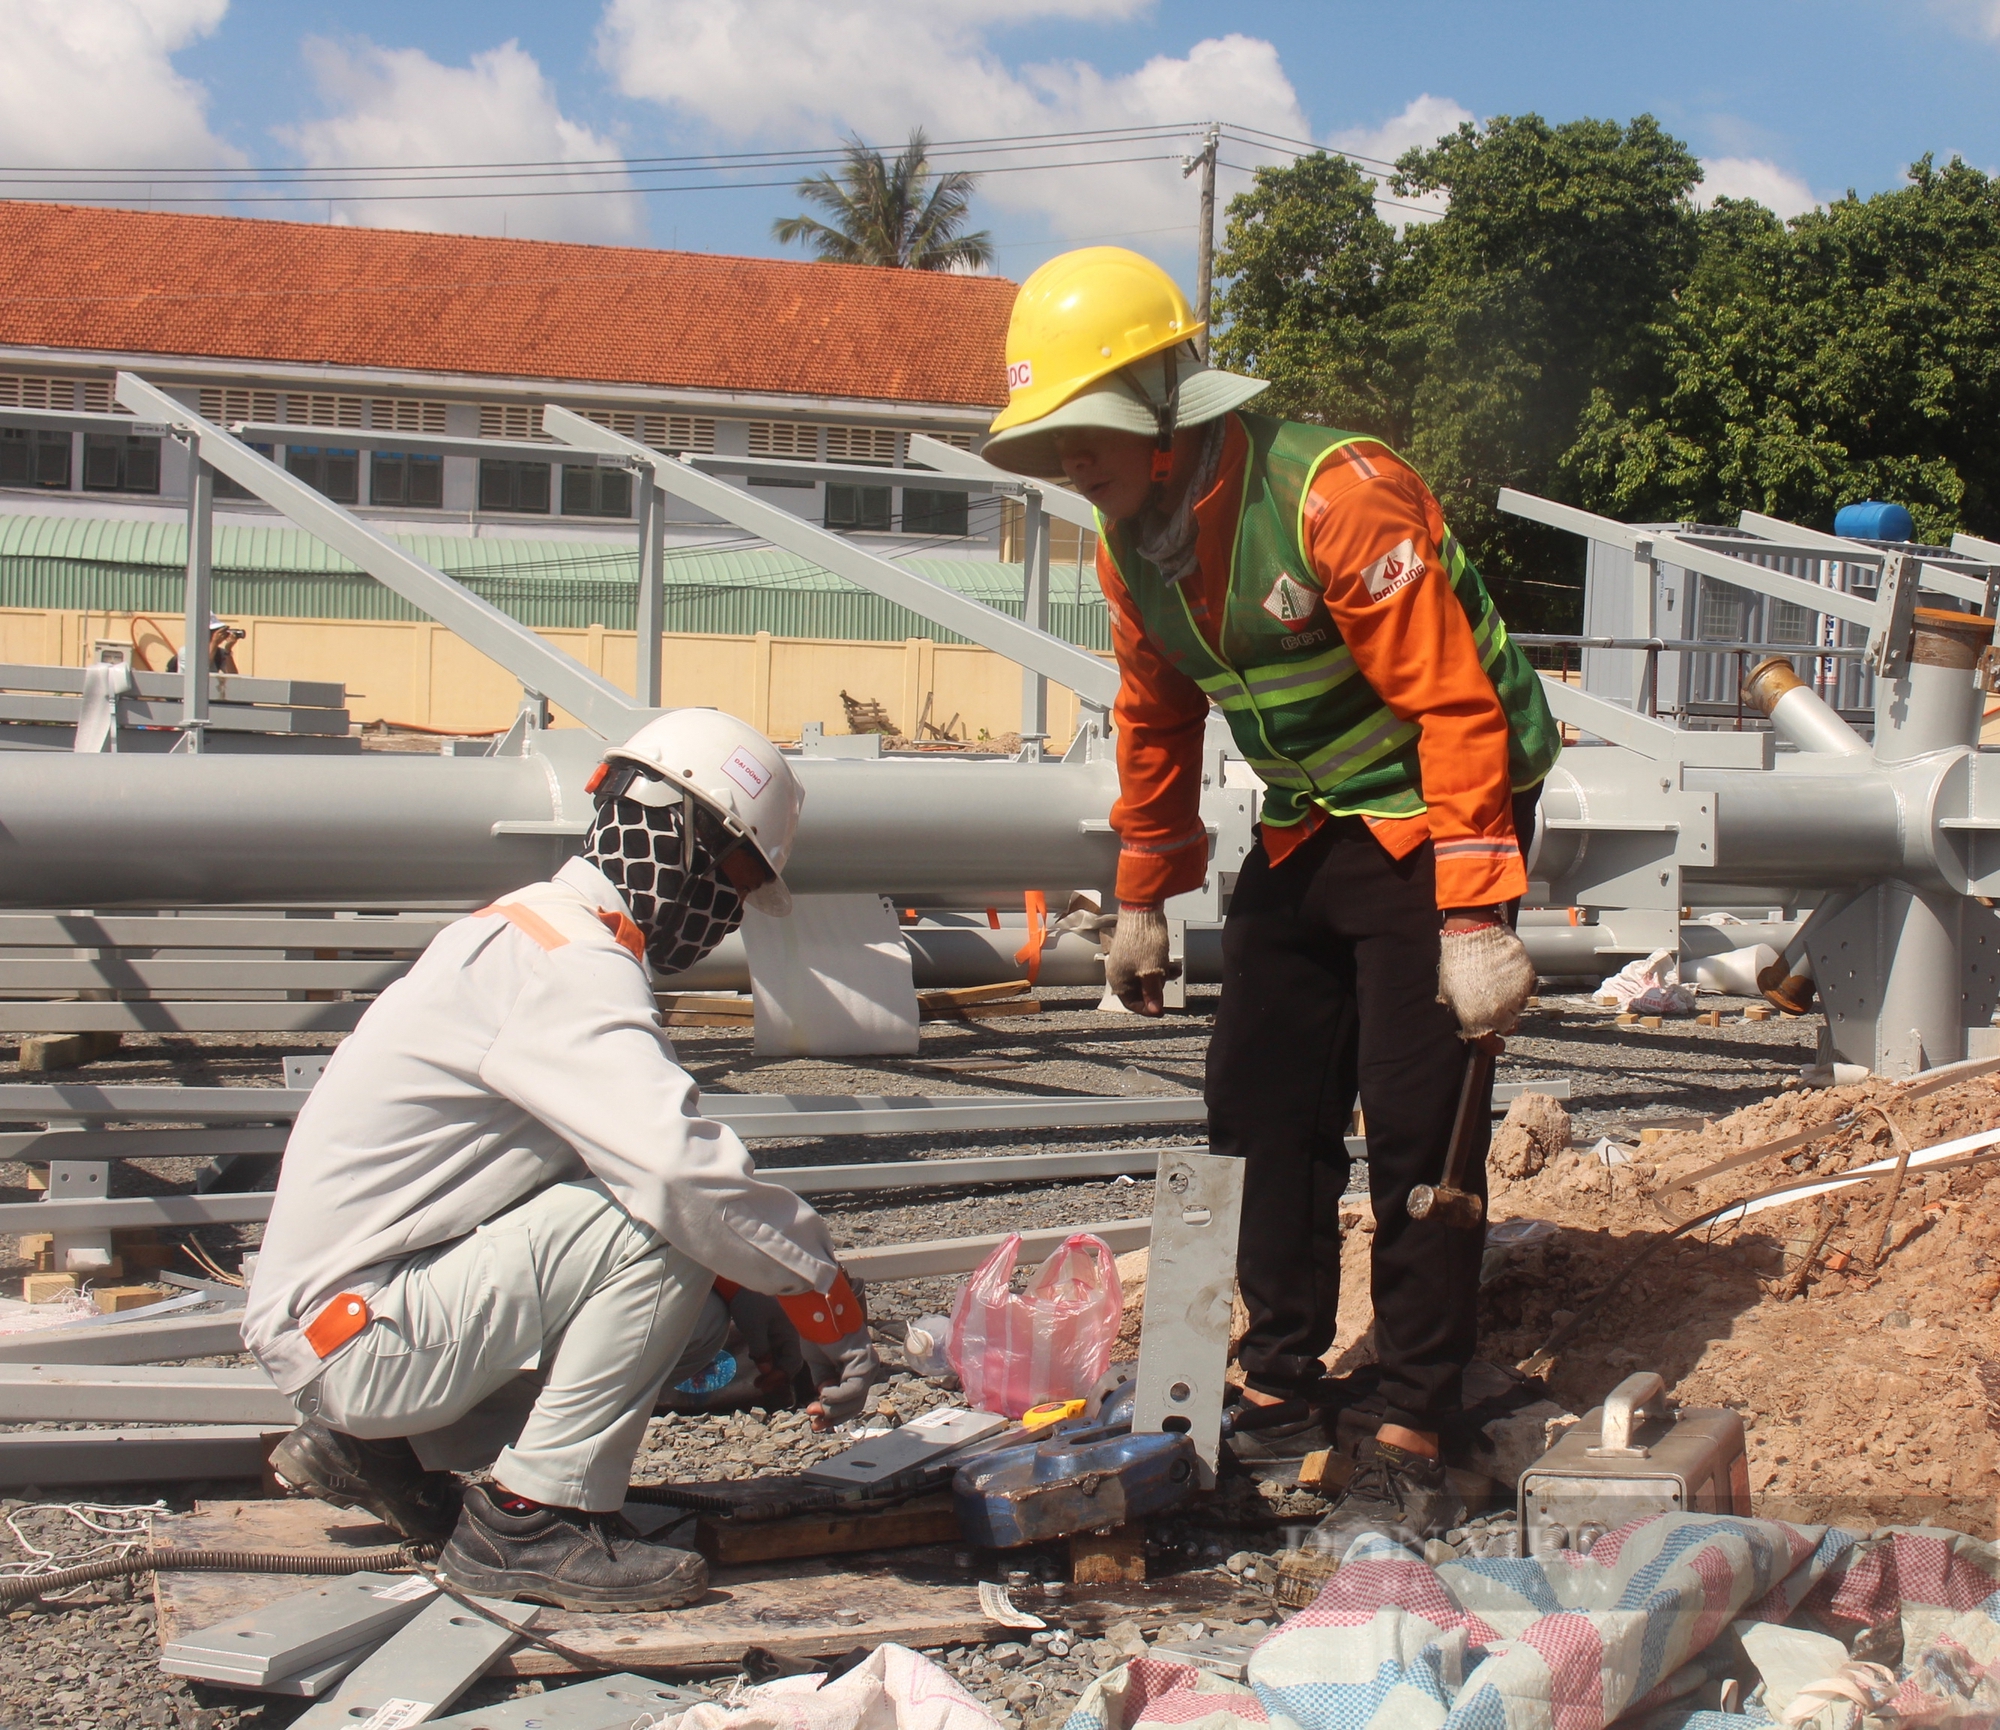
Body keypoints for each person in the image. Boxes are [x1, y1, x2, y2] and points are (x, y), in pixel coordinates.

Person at [980, 248, 1559, 1557]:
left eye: (1088, 430)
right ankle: (1280, 1381)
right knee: (1259, 1098)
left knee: (1421, 1120)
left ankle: (1420, 1417)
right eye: (1052, 439)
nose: (1070, 460)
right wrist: (1144, 891)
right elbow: (1155, 712)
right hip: (1310, 819)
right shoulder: (1133, 548)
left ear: (1165, 400)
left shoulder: (1336, 492)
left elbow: (1456, 704)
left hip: (1435, 802)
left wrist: (1475, 909)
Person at [245, 710, 881, 1612]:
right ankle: (533, 1518)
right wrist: (818, 1292)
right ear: (670, 829)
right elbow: (674, 1175)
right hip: (357, 1339)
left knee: (689, 1273)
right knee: (664, 1225)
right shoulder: (567, 964)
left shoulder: (531, 938)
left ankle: (377, 1451)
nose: (730, 908)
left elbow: (557, 1172)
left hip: (347, 1318)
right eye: (735, 872)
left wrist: (747, 1294)